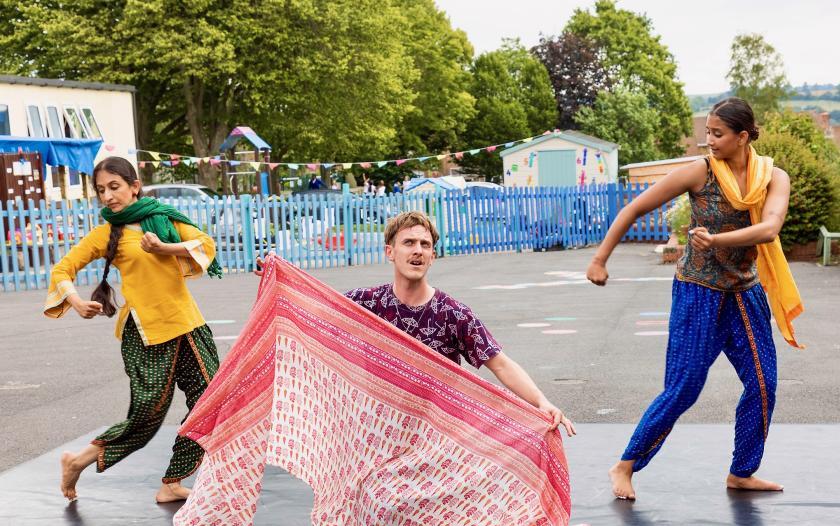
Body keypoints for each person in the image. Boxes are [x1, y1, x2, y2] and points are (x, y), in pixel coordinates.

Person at [585, 97, 802, 500]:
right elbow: (633, 209)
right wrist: (600, 259)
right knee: (684, 386)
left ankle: (742, 471)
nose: (710, 141)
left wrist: (717, 238)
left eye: (718, 134)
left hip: (744, 293)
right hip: (697, 292)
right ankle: (626, 464)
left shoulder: (773, 178)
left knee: (763, 383)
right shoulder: (698, 172)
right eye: (707, 133)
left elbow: (770, 228)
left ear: (742, 136)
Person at [258, 210, 575, 436]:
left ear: (433, 256)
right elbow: (310, 308)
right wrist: (279, 281)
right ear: (390, 252)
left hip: (438, 432)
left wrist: (541, 402)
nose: (417, 251)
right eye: (409, 243)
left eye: (425, 245)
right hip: (379, 431)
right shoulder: (366, 304)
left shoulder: (453, 314)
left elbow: (501, 364)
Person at [45, 157, 222, 503]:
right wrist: (77, 302)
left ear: (134, 186)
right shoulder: (106, 234)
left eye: (115, 187)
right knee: (146, 416)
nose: (108, 196)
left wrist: (162, 247)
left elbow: (204, 245)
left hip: (188, 325)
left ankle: (172, 482)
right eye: (101, 190)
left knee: (211, 402)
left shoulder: (163, 219)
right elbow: (61, 271)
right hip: (145, 334)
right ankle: (78, 461)